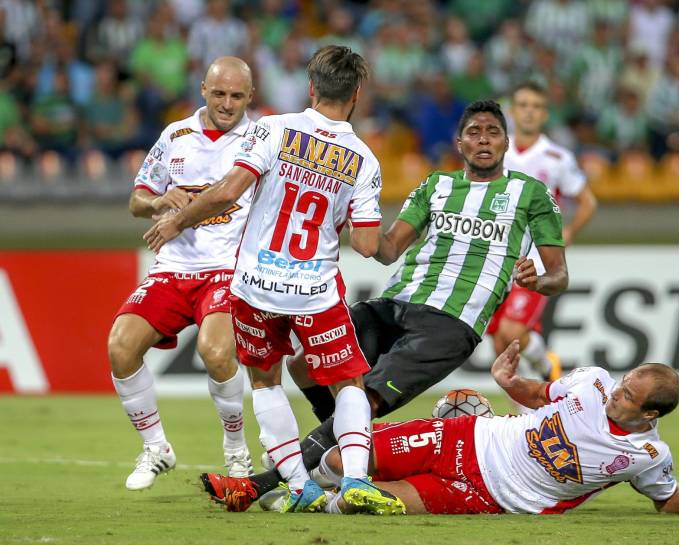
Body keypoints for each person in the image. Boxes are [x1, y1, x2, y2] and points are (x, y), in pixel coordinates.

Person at [200, 98, 570, 511]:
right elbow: (389, 248)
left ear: (505, 142)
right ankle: (342, 441)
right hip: (394, 303)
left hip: (451, 322)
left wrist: (539, 278)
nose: (483, 140)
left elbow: (559, 275)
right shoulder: (436, 185)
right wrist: (337, 214)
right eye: (474, 133)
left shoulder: (530, 193)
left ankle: (263, 484)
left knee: (368, 394)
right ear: (460, 143)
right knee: (303, 363)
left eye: (493, 133)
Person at [144, 45, 399, 514]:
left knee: (264, 382)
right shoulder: (363, 159)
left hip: (255, 285)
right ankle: (358, 481)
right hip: (316, 291)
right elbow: (367, 245)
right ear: (357, 94)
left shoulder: (273, 128)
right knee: (348, 385)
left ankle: (301, 487)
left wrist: (180, 221)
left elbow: (228, 192)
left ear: (311, 88)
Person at [216, 341, 679, 517]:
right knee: (338, 463)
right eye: (624, 382)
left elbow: (666, 500)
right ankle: (287, 486)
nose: (617, 392)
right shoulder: (590, 382)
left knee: (358, 500)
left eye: (630, 395)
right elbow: (537, 395)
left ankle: (296, 500)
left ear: (650, 415)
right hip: (469, 437)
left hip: (490, 495)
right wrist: (508, 379)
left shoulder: (648, 456)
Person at [108, 56, 257, 491]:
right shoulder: (175, 135)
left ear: (250, 97)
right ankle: (156, 447)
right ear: (203, 91)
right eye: (219, 93)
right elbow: (137, 198)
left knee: (215, 352)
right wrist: (156, 202)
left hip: (228, 268)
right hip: (173, 268)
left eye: (237, 96)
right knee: (120, 347)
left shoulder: (261, 138)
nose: (227, 104)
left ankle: (236, 452)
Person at [488, 81, 597, 389]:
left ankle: (544, 362)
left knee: (511, 329)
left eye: (536, 107)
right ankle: (521, 416)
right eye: (523, 105)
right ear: (512, 111)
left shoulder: (556, 157)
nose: (529, 113)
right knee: (500, 343)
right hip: (495, 255)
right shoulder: (495, 150)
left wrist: (569, 231)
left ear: (545, 114)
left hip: (535, 257)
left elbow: (587, 201)